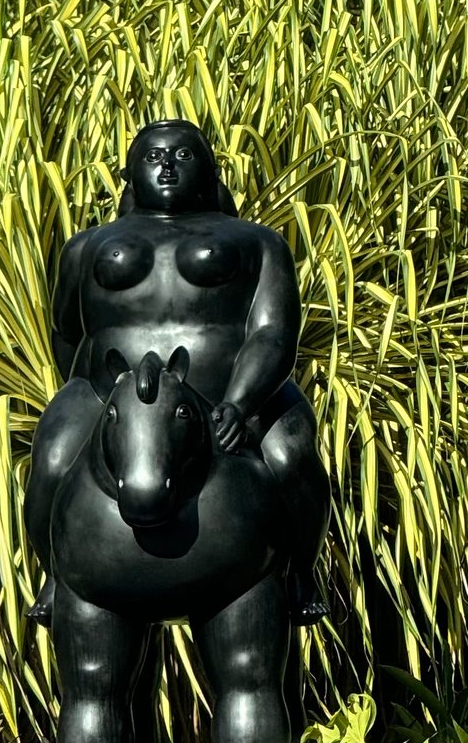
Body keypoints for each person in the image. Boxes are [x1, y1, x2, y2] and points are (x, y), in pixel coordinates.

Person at [26, 118, 328, 622]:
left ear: (209, 169)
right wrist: (104, 396)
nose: (166, 166)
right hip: (108, 393)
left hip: (233, 393)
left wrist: (240, 402)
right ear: (130, 175)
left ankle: (301, 571)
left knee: (290, 456)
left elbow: (273, 333)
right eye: (153, 157)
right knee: (53, 459)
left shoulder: (258, 242)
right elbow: (67, 331)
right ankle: (57, 574)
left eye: (183, 155)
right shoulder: (85, 246)